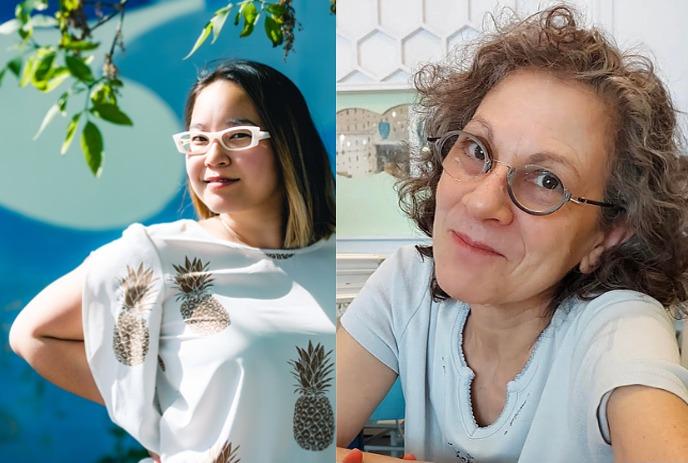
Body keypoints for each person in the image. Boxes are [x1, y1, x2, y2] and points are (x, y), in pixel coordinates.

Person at [337, 5, 688, 463]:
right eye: (477, 149)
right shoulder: (406, 286)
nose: (483, 202)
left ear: (608, 235)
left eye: (546, 181)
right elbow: (276, 442)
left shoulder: (619, 329)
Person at [10, 59, 336, 462]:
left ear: (290, 141)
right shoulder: (158, 256)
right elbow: (33, 334)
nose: (213, 156)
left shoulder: (334, 256)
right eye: (198, 139)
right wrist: (157, 418)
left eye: (238, 135)